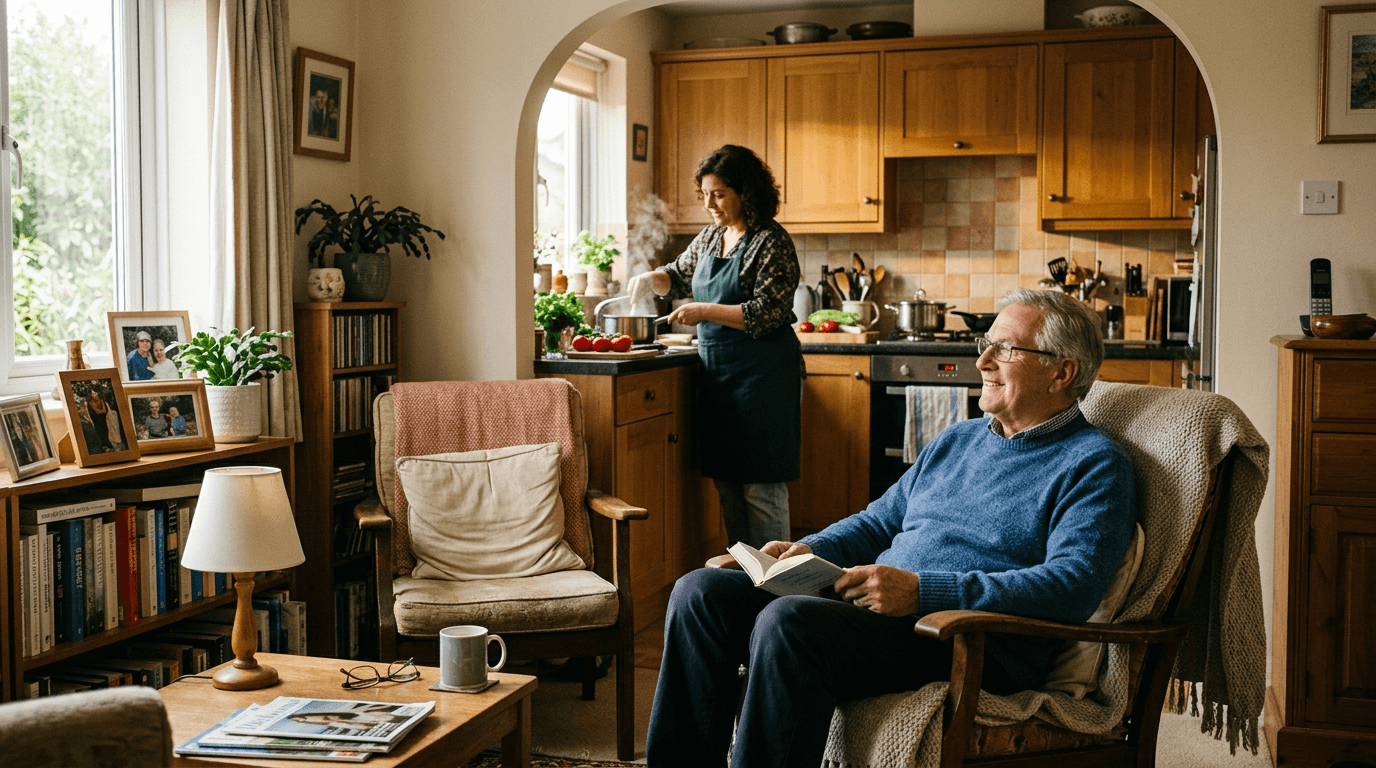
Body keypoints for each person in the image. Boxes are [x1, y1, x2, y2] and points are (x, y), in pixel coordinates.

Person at [645, 288, 1139, 768]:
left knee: (789, 623)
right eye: (985, 343)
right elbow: (878, 521)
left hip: (972, 642)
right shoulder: (959, 440)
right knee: (700, 592)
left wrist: (925, 593)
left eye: (1004, 349)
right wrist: (805, 549)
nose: (983, 360)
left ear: (1062, 372)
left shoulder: (1094, 465)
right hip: (882, 612)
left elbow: (1072, 586)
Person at [625, 144, 801, 548]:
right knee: (727, 485)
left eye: (718, 194)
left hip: (764, 376)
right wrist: (651, 277)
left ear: (746, 192)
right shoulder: (710, 237)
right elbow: (678, 274)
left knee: (761, 488)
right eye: (704, 194)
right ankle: (744, 582)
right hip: (720, 377)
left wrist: (705, 310)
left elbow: (768, 312)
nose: (709, 204)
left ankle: (779, 589)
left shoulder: (771, 242)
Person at [85, 388, 115, 453]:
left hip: (104, 421)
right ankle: (103, 446)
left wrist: (103, 414)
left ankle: (108, 446)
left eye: (95, 393)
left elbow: (105, 410)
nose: (94, 395)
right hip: (97, 422)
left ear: (97, 393)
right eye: (92, 394)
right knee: (100, 434)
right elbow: (92, 413)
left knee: (106, 432)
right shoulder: (90, 403)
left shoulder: (102, 401)